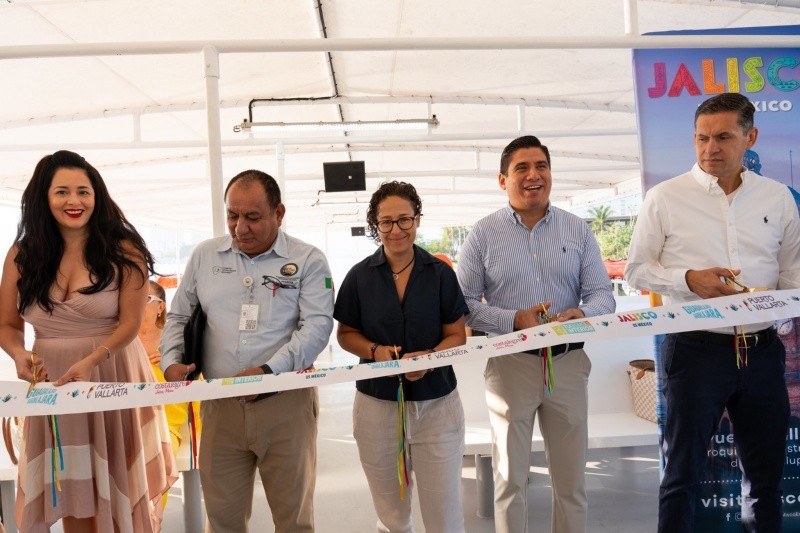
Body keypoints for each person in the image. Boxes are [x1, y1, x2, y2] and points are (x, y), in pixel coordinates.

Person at [625, 92, 800, 532]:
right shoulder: (664, 198)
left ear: (750, 137)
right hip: (694, 351)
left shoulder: (778, 198)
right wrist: (688, 280)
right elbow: (636, 270)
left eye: (723, 137)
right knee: (681, 474)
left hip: (762, 350)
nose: (710, 149)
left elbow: (793, 277)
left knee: (765, 479)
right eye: (701, 138)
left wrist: (778, 301)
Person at [0, 150, 177, 532]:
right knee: (72, 491)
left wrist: (94, 359)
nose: (74, 201)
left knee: (120, 492)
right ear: (42, 198)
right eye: (61, 191)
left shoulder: (123, 249)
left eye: (84, 191)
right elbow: (7, 325)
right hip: (55, 383)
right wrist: (18, 353)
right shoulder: (22, 255)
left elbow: (130, 324)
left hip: (113, 372)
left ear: (97, 196)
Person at [159, 169, 334, 533]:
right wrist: (171, 359)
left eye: (253, 217)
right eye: (232, 215)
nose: (240, 228)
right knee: (222, 520)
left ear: (279, 213)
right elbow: (178, 314)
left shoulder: (308, 260)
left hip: (285, 404)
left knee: (295, 520)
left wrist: (269, 372)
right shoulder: (205, 256)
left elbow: (317, 327)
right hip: (220, 408)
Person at [457, 135, 615, 533]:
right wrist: (514, 320)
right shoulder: (483, 234)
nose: (533, 175)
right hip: (512, 366)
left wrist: (583, 313)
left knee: (572, 481)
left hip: (568, 363)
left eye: (541, 166)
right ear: (502, 179)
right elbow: (461, 302)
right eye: (521, 168)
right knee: (510, 480)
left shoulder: (576, 229)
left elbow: (602, 294)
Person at [334, 181, 468, 532]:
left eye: (404, 220)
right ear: (375, 226)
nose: (396, 229)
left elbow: (457, 334)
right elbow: (346, 334)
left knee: (444, 512)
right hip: (377, 405)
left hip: (437, 405)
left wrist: (429, 358)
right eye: (387, 222)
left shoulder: (440, 274)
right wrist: (375, 352)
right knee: (392, 514)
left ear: (417, 220)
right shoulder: (360, 276)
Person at [137, 279, 202, 509]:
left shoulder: (176, 342)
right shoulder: (122, 344)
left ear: (160, 307)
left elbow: (197, 381)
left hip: (166, 424)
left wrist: (172, 364)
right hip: (126, 422)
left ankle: (149, 521)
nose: (134, 303)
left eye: (143, 299)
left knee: (156, 454)